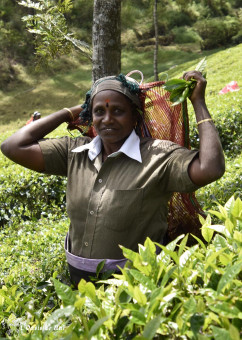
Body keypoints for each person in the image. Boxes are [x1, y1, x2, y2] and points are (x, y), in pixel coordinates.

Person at [1, 70, 225, 286]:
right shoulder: (75, 152)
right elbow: (12, 146)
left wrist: (199, 103)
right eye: (99, 111)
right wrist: (69, 113)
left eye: (118, 111)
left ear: (135, 117)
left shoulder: (159, 156)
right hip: (79, 285)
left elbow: (211, 168)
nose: (107, 119)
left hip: (137, 288)